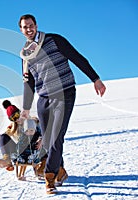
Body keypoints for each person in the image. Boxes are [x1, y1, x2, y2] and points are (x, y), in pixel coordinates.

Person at [18, 14, 106, 194]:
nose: (29, 29)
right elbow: (28, 83)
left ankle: (49, 177)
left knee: (56, 137)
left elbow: (77, 58)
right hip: (44, 99)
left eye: (31, 25)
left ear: (36, 25)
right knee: (48, 140)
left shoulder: (54, 40)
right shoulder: (25, 55)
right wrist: (26, 107)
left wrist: (95, 78)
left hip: (64, 93)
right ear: (21, 30)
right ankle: (61, 170)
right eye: (25, 27)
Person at [0, 100, 43, 177]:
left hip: (36, 149)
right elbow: (1, 140)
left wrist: (42, 139)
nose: (16, 119)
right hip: (21, 152)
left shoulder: (33, 121)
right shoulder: (13, 128)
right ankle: (7, 160)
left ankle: (44, 168)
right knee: (4, 136)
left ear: (20, 112)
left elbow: (45, 132)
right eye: (13, 118)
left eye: (16, 115)